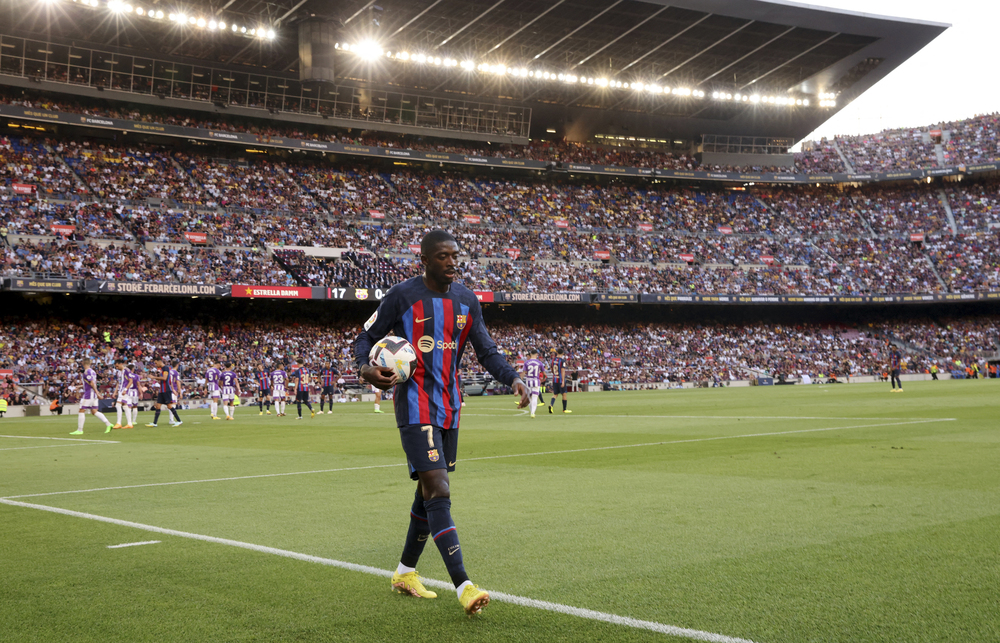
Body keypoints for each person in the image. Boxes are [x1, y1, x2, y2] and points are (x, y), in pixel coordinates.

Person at [355, 229, 528, 616]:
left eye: (455, 256)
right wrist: (366, 370)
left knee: (427, 495)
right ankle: (464, 585)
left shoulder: (467, 301)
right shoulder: (402, 296)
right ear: (425, 260)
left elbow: (486, 349)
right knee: (438, 488)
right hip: (415, 408)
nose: (451, 262)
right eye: (443, 257)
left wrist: (512, 377)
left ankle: (404, 571)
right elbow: (364, 339)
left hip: (450, 409)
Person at [71, 358, 114, 435]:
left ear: (83, 363)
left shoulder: (86, 372)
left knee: (81, 410)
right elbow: (90, 383)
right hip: (93, 394)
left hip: (89, 394)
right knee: (94, 411)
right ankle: (108, 424)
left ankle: (80, 430)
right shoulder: (93, 371)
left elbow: (91, 383)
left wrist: (98, 393)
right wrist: (80, 387)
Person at [146, 357, 183, 427]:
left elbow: (164, 378)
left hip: (166, 390)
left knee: (169, 406)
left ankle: (179, 421)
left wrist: (153, 377)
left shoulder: (165, 368)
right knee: (158, 406)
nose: (156, 365)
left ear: (159, 361)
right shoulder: (163, 369)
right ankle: (154, 423)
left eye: (156, 363)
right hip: (162, 390)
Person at [521, 348, 546, 418]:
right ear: (537, 355)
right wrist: (543, 379)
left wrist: (521, 380)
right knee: (535, 397)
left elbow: (523, 373)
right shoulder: (539, 362)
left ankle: (531, 411)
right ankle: (533, 413)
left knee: (529, 398)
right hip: (536, 381)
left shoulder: (526, 362)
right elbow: (544, 373)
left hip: (528, 381)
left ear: (531, 354)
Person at [547, 347, 572, 414]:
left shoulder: (552, 360)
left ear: (557, 352)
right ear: (563, 353)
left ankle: (551, 405)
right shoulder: (562, 361)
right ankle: (564, 409)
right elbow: (563, 371)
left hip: (554, 379)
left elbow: (552, 370)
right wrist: (563, 381)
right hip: (560, 380)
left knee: (555, 394)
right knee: (564, 394)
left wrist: (555, 374)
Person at [112, 357, 132, 429]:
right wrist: (115, 392)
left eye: (117, 366)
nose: (116, 367)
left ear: (121, 364)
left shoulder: (126, 370)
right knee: (124, 406)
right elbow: (118, 383)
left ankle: (119, 423)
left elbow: (130, 381)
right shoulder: (118, 372)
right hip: (121, 391)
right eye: (115, 366)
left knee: (118, 405)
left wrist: (126, 389)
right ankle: (129, 423)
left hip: (125, 390)